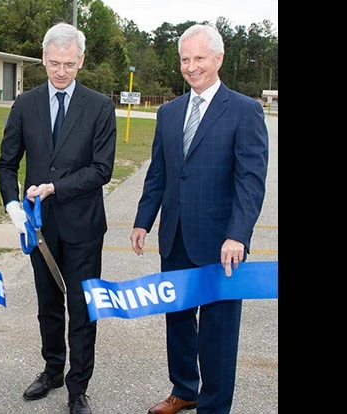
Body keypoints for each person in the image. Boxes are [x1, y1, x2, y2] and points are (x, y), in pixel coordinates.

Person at [129, 24, 269, 414]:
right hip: (174, 239)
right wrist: (143, 220)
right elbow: (159, 173)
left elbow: (250, 183)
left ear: (218, 58)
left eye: (199, 58)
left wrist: (237, 235)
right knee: (178, 324)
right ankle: (184, 390)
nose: (190, 67)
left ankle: (214, 406)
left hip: (222, 245)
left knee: (218, 334)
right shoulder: (170, 112)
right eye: (185, 59)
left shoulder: (245, 110)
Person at [0, 22, 116, 414]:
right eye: (53, 64)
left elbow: (102, 169)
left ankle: (77, 386)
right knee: (48, 304)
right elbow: (6, 163)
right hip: (40, 228)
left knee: (82, 307)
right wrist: (13, 205)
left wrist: (54, 188)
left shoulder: (99, 106)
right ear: (43, 59)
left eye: (68, 64)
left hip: (83, 226)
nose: (61, 72)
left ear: (81, 60)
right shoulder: (25, 104)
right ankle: (51, 369)